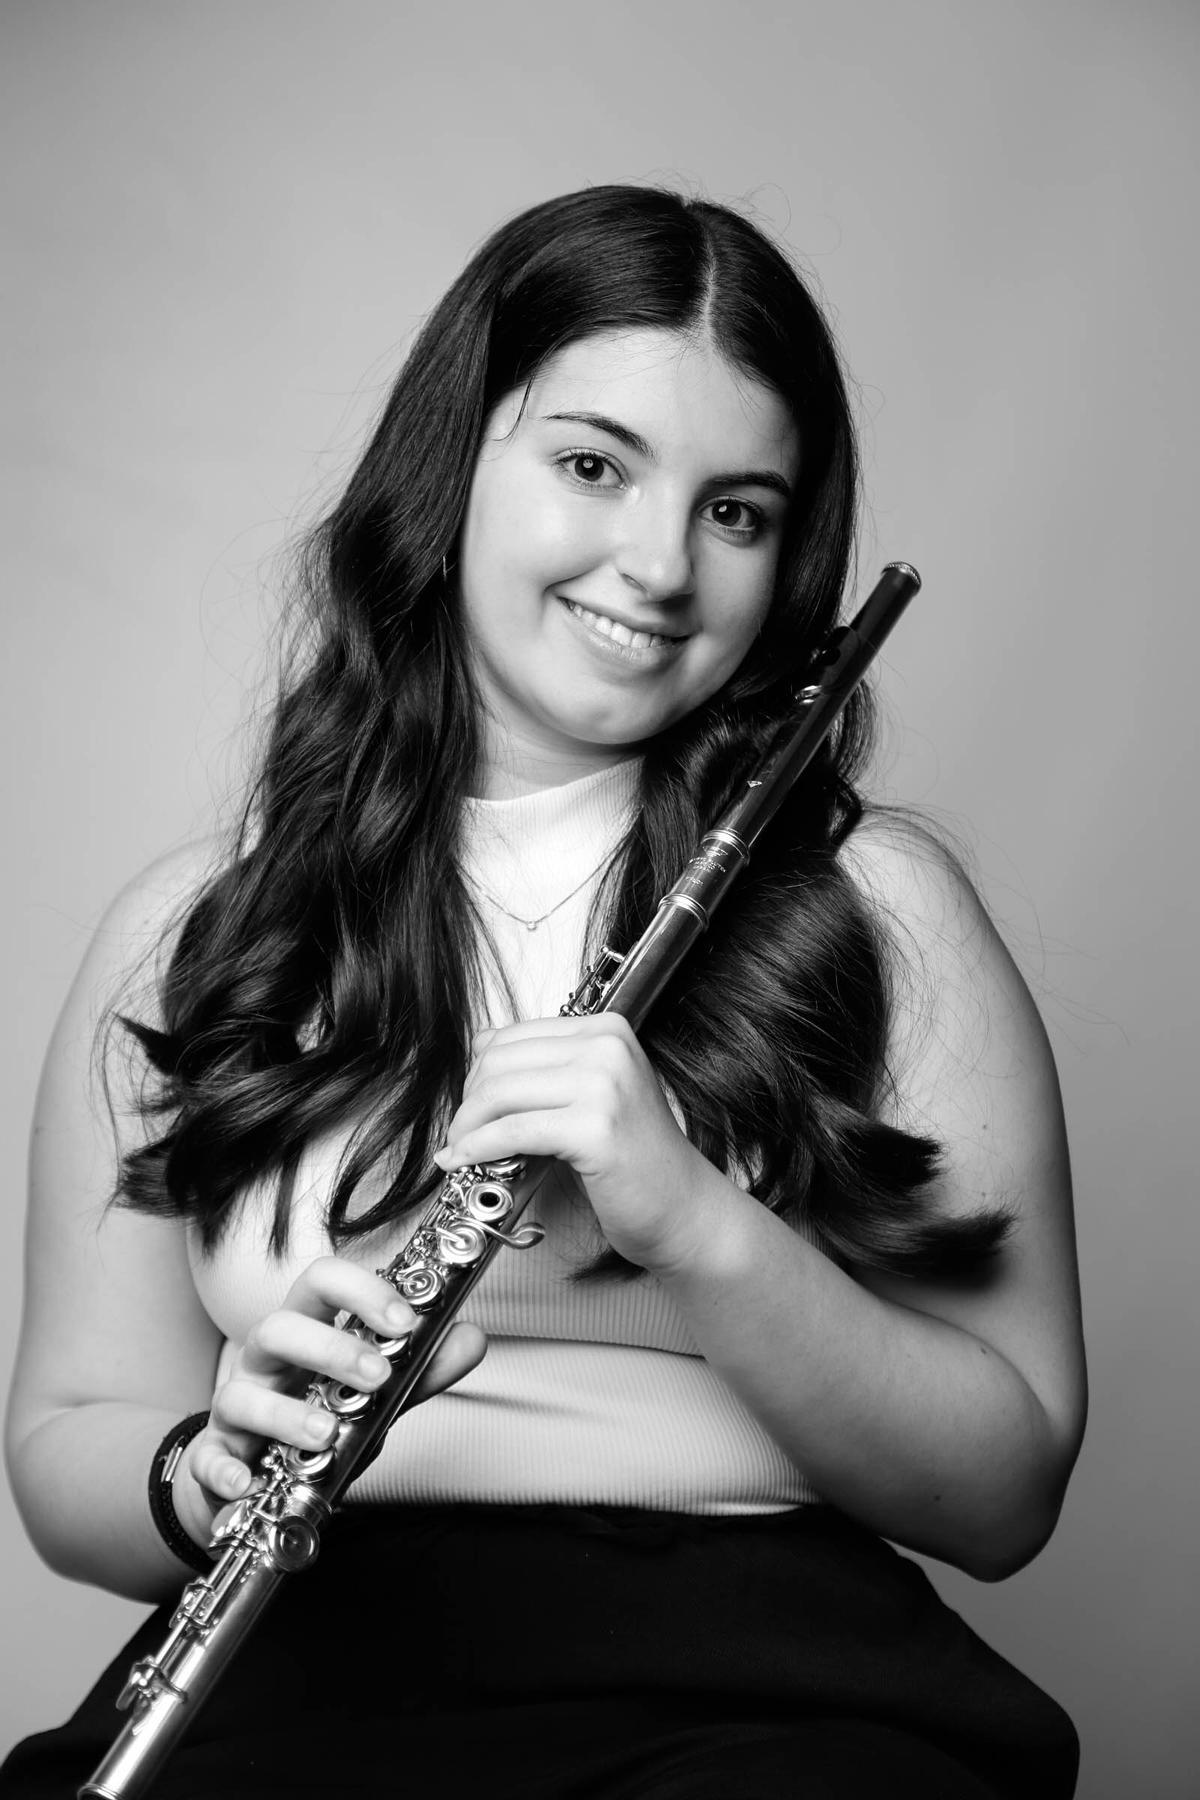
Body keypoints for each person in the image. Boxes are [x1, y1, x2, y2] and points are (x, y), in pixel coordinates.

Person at [2, 186, 1085, 1799]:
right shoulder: (202, 928)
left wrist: (690, 1217)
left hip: (762, 1689)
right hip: (307, 1668)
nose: (658, 564)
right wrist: (207, 1467)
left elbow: (1004, 1495)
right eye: (594, 465)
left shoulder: (876, 912)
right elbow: (69, 1434)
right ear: (454, 470)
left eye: (739, 511)